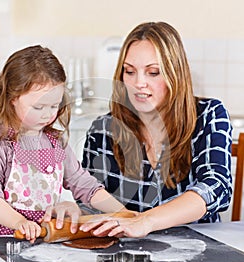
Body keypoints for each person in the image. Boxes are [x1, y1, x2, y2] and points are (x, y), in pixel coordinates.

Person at [79, 22, 233, 238]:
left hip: (197, 256)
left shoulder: (209, 115)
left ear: (175, 74)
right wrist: (73, 211)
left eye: (153, 72)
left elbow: (216, 187)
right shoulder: (103, 132)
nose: (138, 83)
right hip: (127, 259)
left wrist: (147, 221)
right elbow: (93, 204)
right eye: (129, 71)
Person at [0, 45, 128, 243]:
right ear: (12, 99)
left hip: (46, 236)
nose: (48, 114)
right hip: (5, 237)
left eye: (54, 106)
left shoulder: (56, 143)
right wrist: (20, 222)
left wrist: (124, 214)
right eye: (38, 107)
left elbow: (84, 185)